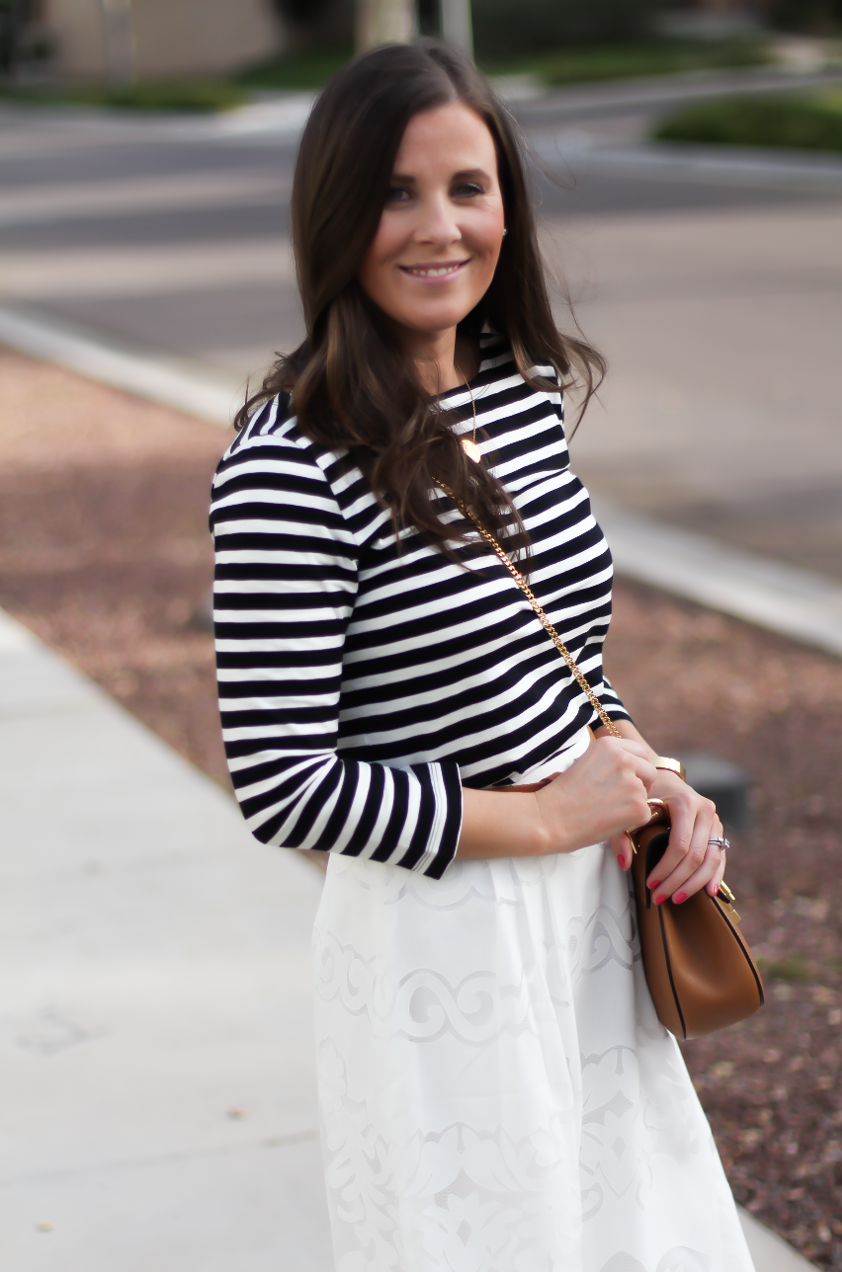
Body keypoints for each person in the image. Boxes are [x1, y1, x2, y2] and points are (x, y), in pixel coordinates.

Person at [210, 40, 755, 1272]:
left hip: (586, 920)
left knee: (633, 1238)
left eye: (468, 186)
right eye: (396, 193)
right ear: (334, 212)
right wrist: (548, 816)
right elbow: (279, 780)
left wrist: (643, 771)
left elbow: (549, 651)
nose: (438, 228)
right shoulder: (286, 462)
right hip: (440, 948)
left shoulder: (512, 387)